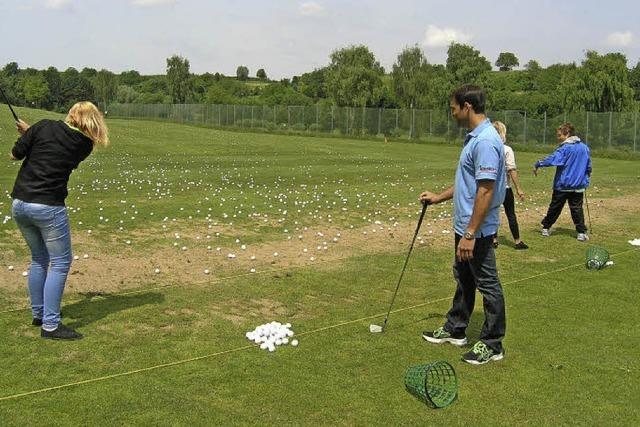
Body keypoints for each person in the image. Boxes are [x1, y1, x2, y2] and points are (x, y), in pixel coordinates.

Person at [420, 85, 507, 365]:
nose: (452, 111)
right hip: (466, 227)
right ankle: (456, 328)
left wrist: (470, 233)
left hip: (476, 230)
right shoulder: (474, 138)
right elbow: (466, 184)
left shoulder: (485, 141)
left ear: (467, 106)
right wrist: (437, 198)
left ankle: (493, 344)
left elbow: (485, 191)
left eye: (453, 107)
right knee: (464, 277)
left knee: (488, 284)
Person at [10, 101, 109, 340]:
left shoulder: (42, 127)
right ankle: (51, 325)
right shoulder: (84, 144)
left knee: (39, 258)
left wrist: (30, 133)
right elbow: (55, 144)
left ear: (71, 115)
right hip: (48, 208)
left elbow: (15, 155)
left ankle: (39, 313)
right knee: (61, 261)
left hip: (20, 204)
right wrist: (32, 133)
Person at [534, 123, 592, 241]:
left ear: (567, 134)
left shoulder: (564, 148)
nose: (558, 137)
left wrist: (538, 163)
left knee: (555, 207)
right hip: (578, 185)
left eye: (560, 135)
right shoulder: (584, 147)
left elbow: (554, 159)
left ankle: (546, 228)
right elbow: (588, 166)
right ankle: (581, 232)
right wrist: (586, 177)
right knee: (577, 209)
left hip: (563, 185)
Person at [492, 121, 528, 250]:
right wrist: (518, 188)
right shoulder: (506, 149)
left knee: (492, 214)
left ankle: (493, 239)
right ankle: (517, 241)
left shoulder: (488, 148)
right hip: (504, 188)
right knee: (510, 214)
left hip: (491, 188)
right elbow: (511, 169)